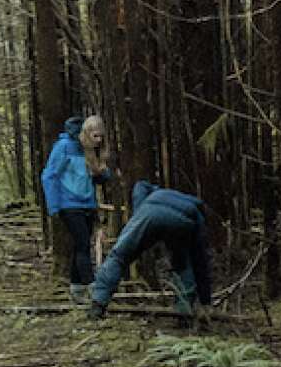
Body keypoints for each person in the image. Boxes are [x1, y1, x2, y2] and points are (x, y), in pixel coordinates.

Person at [89, 181, 214, 321]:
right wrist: (205, 301)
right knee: (183, 264)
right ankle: (183, 313)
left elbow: (139, 185)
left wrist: (138, 215)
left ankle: (98, 304)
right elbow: (200, 262)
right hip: (182, 223)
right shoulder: (197, 214)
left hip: (148, 214)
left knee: (119, 256)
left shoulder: (160, 192)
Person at [41, 114, 114, 305]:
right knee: (83, 245)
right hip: (68, 205)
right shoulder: (63, 147)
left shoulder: (89, 151)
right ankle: (94, 289)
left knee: (81, 246)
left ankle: (76, 289)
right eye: (95, 136)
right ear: (86, 133)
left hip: (87, 204)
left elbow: (95, 177)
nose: (98, 140)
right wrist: (54, 205)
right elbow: (49, 175)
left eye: (101, 137)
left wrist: (104, 173)